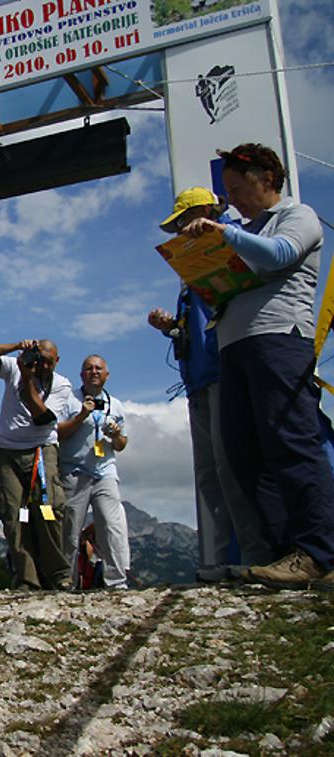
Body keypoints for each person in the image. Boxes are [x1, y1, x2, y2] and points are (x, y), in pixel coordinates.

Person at [177, 143, 334, 589]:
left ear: (266, 178)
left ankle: (321, 550)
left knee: (292, 442)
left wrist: (224, 234)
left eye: (237, 189)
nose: (233, 200)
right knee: (245, 453)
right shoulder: (246, 228)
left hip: (280, 340)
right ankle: (286, 552)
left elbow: (280, 255)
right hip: (234, 348)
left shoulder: (297, 216)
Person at [149, 187, 275, 581]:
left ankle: (257, 556)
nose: (181, 229)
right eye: (177, 224)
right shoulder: (192, 269)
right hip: (196, 379)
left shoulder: (233, 245)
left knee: (230, 466)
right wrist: (173, 328)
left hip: (223, 373)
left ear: (206, 211)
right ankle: (221, 561)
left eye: (184, 220)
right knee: (208, 473)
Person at [0, 339, 73, 590]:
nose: (44, 367)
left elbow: (43, 418)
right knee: (15, 514)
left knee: (48, 509)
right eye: (40, 360)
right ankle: (27, 578)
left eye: (50, 362)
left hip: (42, 450)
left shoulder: (61, 385)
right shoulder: (16, 367)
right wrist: (17, 346)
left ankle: (58, 573)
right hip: (8, 453)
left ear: (57, 361)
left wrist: (28, 381)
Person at [57, 355, 131, 589]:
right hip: (74, 471)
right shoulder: (69, 400)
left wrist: (116, 435)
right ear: (81, 375)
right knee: (70, 530)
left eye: (99, 368)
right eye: (88, 368)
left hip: (105, 472)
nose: (94, 372)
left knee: (111, 525)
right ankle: (66, 581)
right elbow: (58, 433)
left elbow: (121, 444)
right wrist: (81, 416)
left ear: (107, 375)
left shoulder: (116, 405)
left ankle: (117, 582)